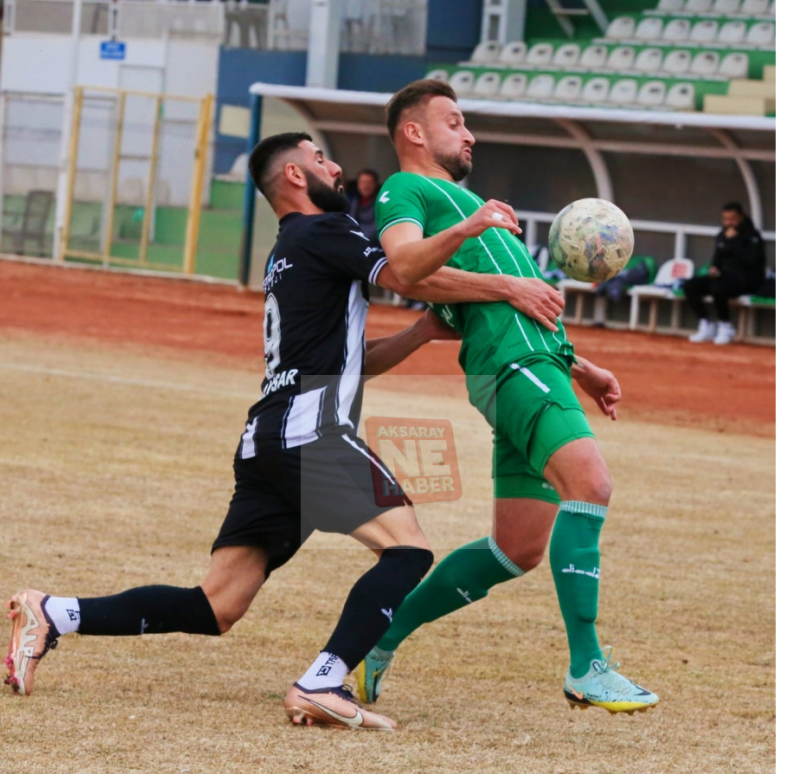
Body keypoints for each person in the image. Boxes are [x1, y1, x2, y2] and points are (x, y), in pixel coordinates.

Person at [4, 132, 566, 730]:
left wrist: (422, 334)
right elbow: (405, 272)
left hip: (269, 437)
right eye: (322, 158)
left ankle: (52, 612)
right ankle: (323, 681)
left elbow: (353, 358)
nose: (337, 166)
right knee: (409, 550)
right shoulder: (329, 230)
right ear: (296, 176)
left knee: (216, 605)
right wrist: (500, 272)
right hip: (311, 430)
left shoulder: (289, 249)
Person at [357, 79, 659, 715]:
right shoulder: (406, 190)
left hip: (536, 365)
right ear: (414, 133)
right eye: (454, 122)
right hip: (515, 369)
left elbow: (524, 302)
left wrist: (582, 366)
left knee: (515, 550)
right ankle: (589, 667)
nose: (468, 135)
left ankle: (379, 638)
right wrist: (493, 265)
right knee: (591, 484)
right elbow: (405, 264)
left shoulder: (471, 206)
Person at [685, 201, 766, 345]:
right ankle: (705, 324)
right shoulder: (722, 235)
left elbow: (752, 262)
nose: (729, 223)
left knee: (718, 288)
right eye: (726, 219)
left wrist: (734, 241)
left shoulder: (753, 236)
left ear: (741, 217)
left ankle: (725, 325)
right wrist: (714, 268)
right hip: (724, 276)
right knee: (691, 286)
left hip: (746, 279)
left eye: (732, 219)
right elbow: (717, 258)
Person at [348, 168, 381, 242]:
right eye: (362, 182)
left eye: (369, 182)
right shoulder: (353, 202)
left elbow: (377, 227)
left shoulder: (381, 203)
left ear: (376, 184)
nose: (366, 186)